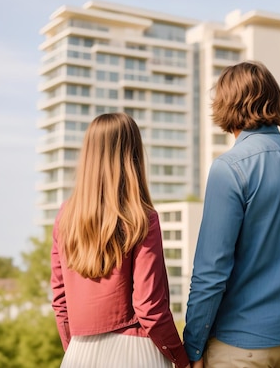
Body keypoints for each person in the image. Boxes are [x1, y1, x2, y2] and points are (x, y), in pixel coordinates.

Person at [183, 61, 280, 368]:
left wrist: (193, 346)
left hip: (238, 346)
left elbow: (211, 272)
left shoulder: (229, 168)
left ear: (226, 105)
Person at [51, 113, 190, 368]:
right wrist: (182, 359)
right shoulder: (142, 218)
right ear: (132, 156)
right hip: (136, 353)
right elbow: (149, 306)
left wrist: (76, 351)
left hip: (79, 353)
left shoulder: (65, 217)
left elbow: (60, 302)